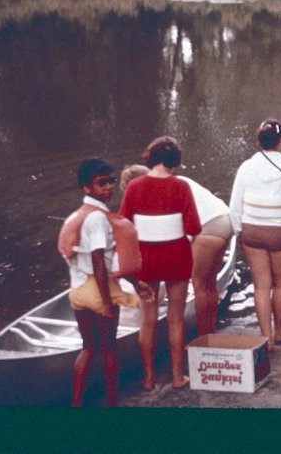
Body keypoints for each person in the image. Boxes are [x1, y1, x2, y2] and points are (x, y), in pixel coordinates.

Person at [58, 158, 154, 407]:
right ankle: (112, 404)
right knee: (109, 349)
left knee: (88, 348)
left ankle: (76, 404)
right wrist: (107, 302)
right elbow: (100, 261)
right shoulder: (98, 219)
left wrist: (135, 282)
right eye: (102, 183)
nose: (109, 187)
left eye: (111, 181)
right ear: (86, 188)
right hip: (98, 288)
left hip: (78, 291)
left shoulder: (79, 215)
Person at [119, 136, 202, 390]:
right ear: (175, 161)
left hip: (147, 260)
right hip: (176, 257)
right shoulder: (181, 187)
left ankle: (148, 378)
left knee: (148, 320)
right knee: (175, 319)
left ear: (151, 158)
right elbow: (194, 227)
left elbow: (124, 225)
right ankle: (178, 376)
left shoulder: (134, 187)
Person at [121, 164, 234, 337]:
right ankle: (210, 333)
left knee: (199, 285)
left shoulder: (162, 192)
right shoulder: (174, 181)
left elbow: (183, 231)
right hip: (225, 221)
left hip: (207, 227)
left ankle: (204, 340)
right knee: (209, 284)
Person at [229, 118, 281, 350]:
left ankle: (266, 338)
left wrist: (238, 232)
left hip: (253, 232)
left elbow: (235, 205)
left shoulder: (246, 167)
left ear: (259, 141)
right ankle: (280, 331)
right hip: (280, 234)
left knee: (261, 285)